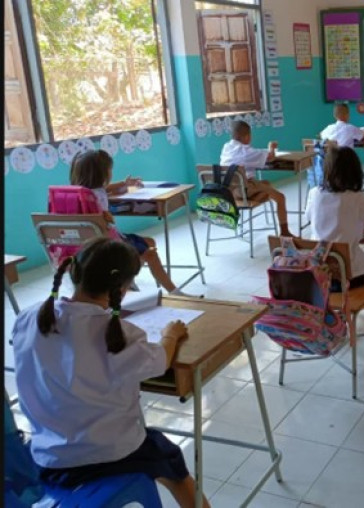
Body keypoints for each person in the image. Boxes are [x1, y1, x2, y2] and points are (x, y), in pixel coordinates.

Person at [12, 238, 210, 508]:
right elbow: (161, 361)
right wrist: (171, 335)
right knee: (169, 458)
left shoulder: (29, 317)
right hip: (109, 452)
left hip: (49, 454)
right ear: (123, 289)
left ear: (74, 273)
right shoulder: (120, 335)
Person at [69, 150, 193, 296]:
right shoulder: (99, 197)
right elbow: (107, 221)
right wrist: (110, 217)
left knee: (149, 241)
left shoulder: (77, 193)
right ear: (103, 173)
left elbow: (105, 189)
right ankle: (172, 291)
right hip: (108, 247)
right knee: (150, 252)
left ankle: (128, 279)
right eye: (109, 169)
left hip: (84, 248)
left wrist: (124, 184)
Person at [305, 146, 364, 290]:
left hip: (317, 274)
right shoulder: (357, 197)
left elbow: (308, 217)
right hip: (349, 276)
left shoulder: (314, 193)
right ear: (356, 171)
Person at [220, 120, 293, 237]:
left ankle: (261, 197)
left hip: (230, 193)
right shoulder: (246, 151)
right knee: (280, 197)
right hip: (245, 189)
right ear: (246, 137)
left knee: (266, 184)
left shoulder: (226, 147)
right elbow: (270, 157)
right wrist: (271, 147)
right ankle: (285, 232)